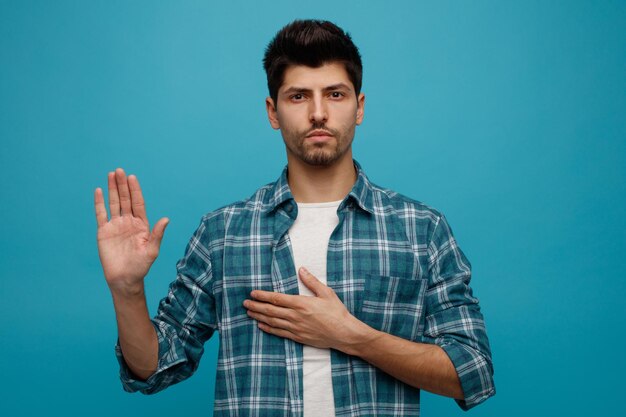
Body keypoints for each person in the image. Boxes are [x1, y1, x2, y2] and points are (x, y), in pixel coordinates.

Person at [94, 19, 495, 417]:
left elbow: (471, 371)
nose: (319, 113)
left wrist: (351, 336)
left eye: (335, 94)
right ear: (273, 111)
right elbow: (154, 367)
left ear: (360, 107)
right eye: (299, 96)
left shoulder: (420, 229)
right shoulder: (223, 234)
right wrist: (127, 290)